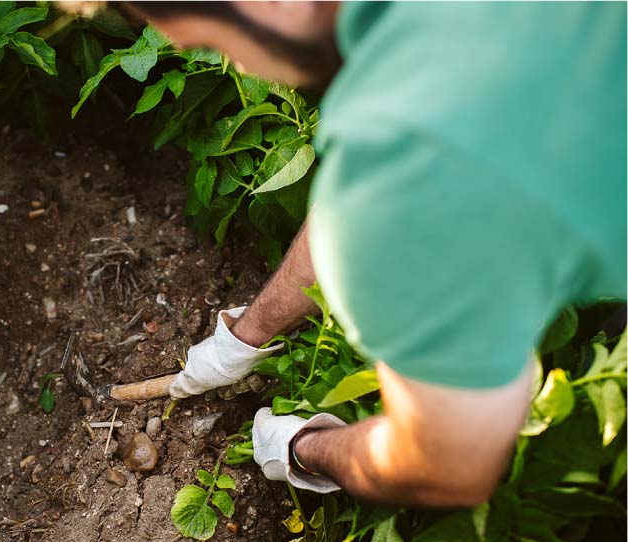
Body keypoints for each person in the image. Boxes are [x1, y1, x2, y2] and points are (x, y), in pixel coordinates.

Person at [119, 2, 626, 507]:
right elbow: (359, 202)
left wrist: (302, 447)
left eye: (221, 44)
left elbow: (446, 464)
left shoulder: (398, 173)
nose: (243, 68)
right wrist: (246, 337)